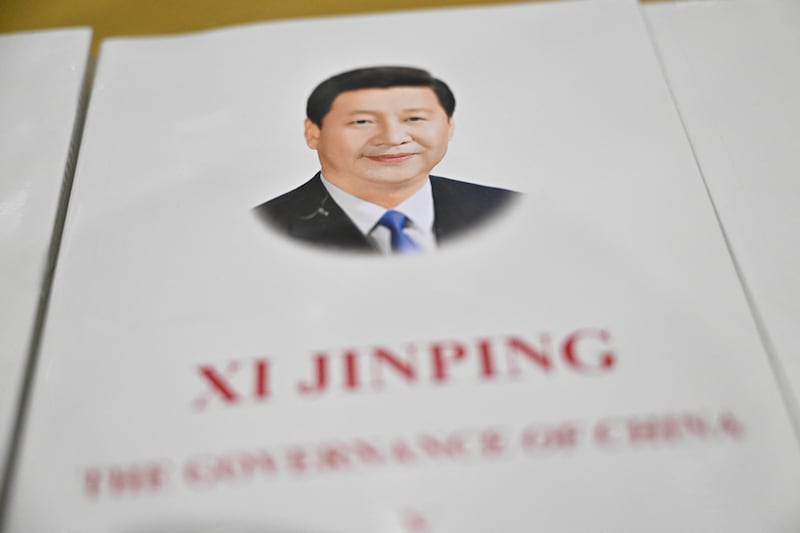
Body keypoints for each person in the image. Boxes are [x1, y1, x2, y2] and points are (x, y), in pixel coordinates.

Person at [254, 66, 518, 254]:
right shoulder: (261, 230)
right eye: (362, 122)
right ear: (313, 133)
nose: (393, 138)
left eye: (414, 119)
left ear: (449, 126)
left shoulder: (507, 209)